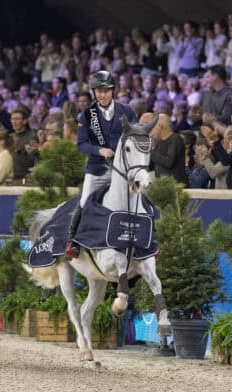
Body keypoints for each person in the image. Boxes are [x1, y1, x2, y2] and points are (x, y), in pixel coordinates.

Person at [66, 70, 137, 258]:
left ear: (112, 90)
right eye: (98, 91)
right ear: (94, 92)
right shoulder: (86, 116)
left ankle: (148, 239)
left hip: (121, 169)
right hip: (97, 169)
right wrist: (100, 150)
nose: (102, 95)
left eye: (105, 91)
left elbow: (136, 134)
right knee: (84, 199)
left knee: (139, 195)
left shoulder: (127, 111)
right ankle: (72, 241)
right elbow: (81, 144)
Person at [149, 114, 187, 185]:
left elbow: (169, 162)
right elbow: (153, 163)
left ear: (160, 126)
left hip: (176, 187)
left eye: (153, 126)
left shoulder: (175, 139)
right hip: (162, 186)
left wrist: (150, 151)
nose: (151, 129)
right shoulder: (159, 141)